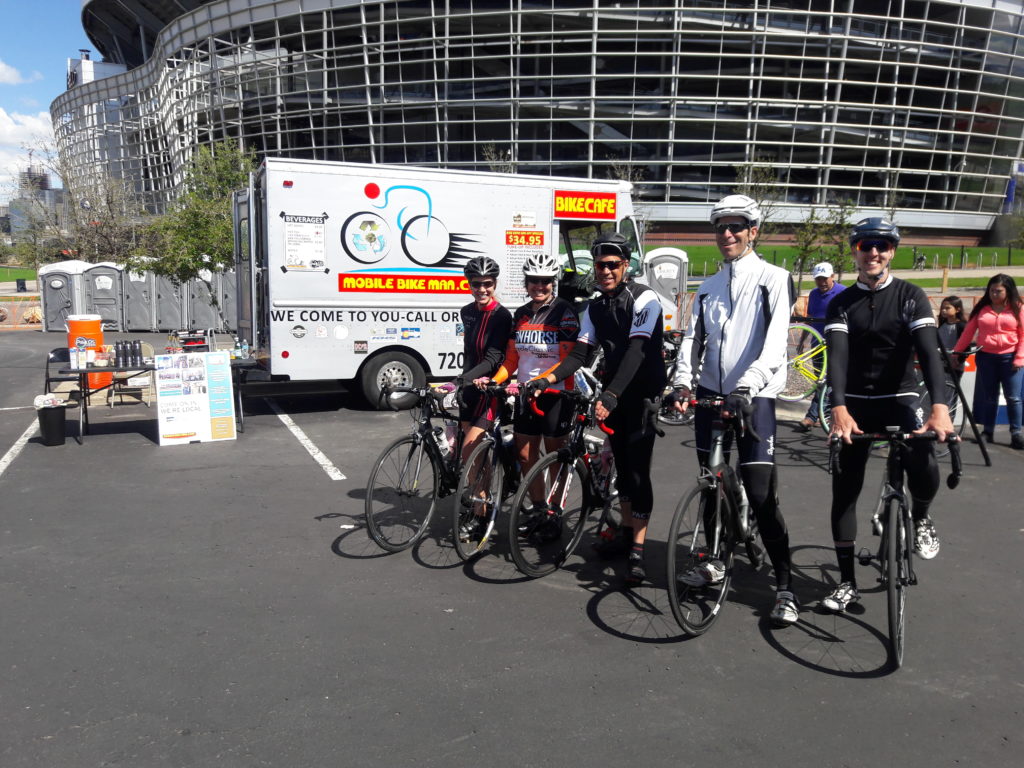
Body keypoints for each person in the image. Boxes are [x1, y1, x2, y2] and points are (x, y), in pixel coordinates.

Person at [670, 194, 799, 627]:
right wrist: (682, 382)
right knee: (710, 483)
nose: (727, 234)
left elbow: (776, 342)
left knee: (761, 496)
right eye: (720, 227)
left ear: (753, 230)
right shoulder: (706, 287)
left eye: (736, 226)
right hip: (710, 393)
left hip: (754, 396)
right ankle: (715, 559)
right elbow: (692, 341)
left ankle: (785, 585)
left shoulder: (774, 278)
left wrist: (748, 384)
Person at [822, 218, 955, 613]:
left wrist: (940, 408)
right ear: (855, 251)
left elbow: (929, 352)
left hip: (900, 396)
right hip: (857, 402)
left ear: (892, 251)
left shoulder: (911, 295)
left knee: (924, 461)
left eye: (882, 245)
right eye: (866, 245)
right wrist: (839, 408)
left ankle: (922, 516)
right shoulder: (841, 303)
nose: (874, 252)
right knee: (845, 489)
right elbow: (839, 359)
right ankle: (847, 583)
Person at [528, 231, 665, 587]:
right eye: (599, 265)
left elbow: (636, 351)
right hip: (615, 395)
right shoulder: (596, 307)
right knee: (620, 463)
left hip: (642, 395)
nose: (604, 271)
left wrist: (611, 395)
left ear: (625, 266)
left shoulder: (644, 298)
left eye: (611, 265)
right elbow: (580, 354)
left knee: (637, 473)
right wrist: (547, 379)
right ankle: (623, 533)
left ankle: (637, 549)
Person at [479, 253, 580, 516]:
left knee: (555, 458)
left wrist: (542, 381)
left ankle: (554, 512)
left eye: (545, 281)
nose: (540, 285)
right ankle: (538, 507)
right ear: (526, 283)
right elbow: (512, 358)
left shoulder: (564, 312)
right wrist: (495, 380)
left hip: (556, 393)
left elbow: (568, 358)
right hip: (526, 393)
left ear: (553, 283)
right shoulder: (521, 315)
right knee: (525, 455)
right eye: (534, 280)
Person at [952, 274, 1024, 449]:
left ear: (1008, 291)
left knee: (1013, 397)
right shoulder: (982, 308)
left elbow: (1023, 335)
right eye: (991, 290)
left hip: (1010, 357)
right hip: (986, 357)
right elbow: (968, 332)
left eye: (998, 291)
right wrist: (957, 353)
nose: (994, 294)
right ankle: (988, 431)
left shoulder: (1017, 308)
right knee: (989, 397)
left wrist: (1020, 357)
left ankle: (1016, 433)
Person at [457, 256, 514, 462]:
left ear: (495, 284)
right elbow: (469, 353)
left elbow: (492, 359)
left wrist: (460, 380)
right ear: (469, 284)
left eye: (487, 284)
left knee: (469, 451)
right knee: (471, 452)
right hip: (470, 388)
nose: (482, 289)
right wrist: (464, 383)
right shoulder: (466, 312)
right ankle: (478, 491)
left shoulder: (502, 316)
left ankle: (480, 495)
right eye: (476, 284)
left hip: (489, 388)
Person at [793, 261, 845, 432]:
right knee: (821, 382)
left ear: (832, 276)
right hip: (817, 345)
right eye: (818, 279)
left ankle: (811, 416)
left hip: (835, 345)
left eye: (825, 279)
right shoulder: (814, 294)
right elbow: (810, 318)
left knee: (827, 381)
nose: (822, 283)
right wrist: (802, 341)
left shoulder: (843, 293)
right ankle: (823, 414)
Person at [937, 295, 967, 379]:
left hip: (955, 366)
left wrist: (959, 360)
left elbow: (966, 346)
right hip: (940, 363)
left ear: (957, 309)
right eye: (942, 308)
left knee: (952, 389)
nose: (943, 310)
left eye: (947, 308)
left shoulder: (961, 326)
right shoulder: (942, 324)